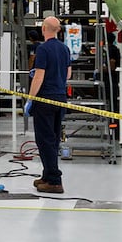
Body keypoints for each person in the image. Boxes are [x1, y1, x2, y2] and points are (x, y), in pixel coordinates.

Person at [25, 15, 72, 194]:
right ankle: (46, 175)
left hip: (45, 100)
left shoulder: (43, 49)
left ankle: (54, 180)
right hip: (60, 99)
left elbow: (39, 76)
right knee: (53, 139)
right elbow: (68, 75)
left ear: (44, 28)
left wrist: (30, 99)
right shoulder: (65, 49)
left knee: (45, 140)